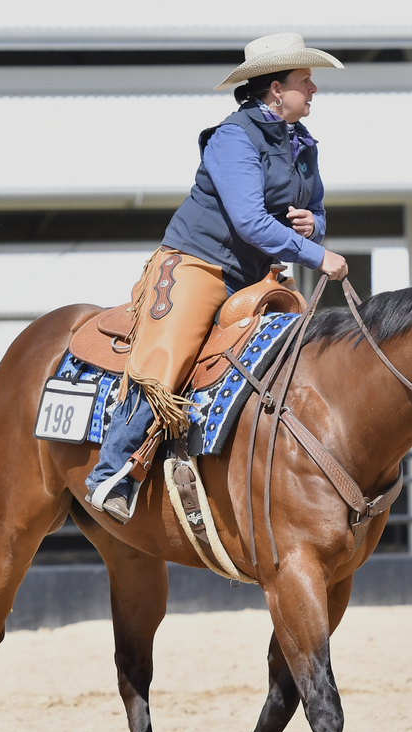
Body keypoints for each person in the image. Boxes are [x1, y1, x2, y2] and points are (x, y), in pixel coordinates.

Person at [84, 33, 350, 523]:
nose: (313, 88)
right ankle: (111, 475)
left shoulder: (302, 144)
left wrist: (315, 225)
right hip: (198, 265)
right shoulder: (233, 138)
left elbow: (315, 208)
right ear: (275, 89)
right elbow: (249, 221)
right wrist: (317, 253)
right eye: (304, 80)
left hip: (254, 277)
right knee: (167, 358)